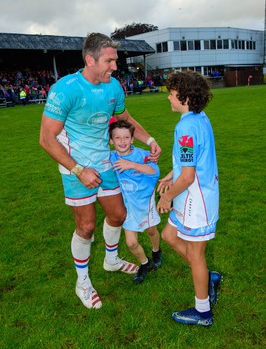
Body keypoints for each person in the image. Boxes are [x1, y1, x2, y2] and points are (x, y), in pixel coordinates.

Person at [39, 32, 161, 310]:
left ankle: (111, 260)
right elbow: (46, 139)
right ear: (90, 60)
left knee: (118, 215)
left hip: (106, 163)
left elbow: (125, 119)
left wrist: (150, 140)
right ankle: (82, 282)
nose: (115, 67)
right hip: (75, 167)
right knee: (86, 226)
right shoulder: (65, 88)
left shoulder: (113, 87)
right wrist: (79, 169)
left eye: (115, 61)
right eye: (109, 61)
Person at [157, 71, 221, 327]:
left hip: (196, 200)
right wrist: (172, 174)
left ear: (184, 97)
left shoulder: (186, 126)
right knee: (169, 236)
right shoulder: (198, 117)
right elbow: (191, 160)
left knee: (196, 255)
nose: (169, 98)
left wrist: (167, 197)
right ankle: (207, 278)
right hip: (194, 194)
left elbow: (188, 176)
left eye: (172, 94)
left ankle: (203, 312)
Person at [109, 120, 162, 284]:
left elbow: (154, 171)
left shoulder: (142, 155)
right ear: (111, 141)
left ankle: (156, 251)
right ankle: (145, 264)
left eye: (126, 137)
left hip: (145, 203)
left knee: (151, 230)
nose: (122, 141)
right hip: (128, 206)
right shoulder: (110, 157)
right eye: (117, 138)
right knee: (131, 243)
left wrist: (130, 164)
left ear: (132, 139)